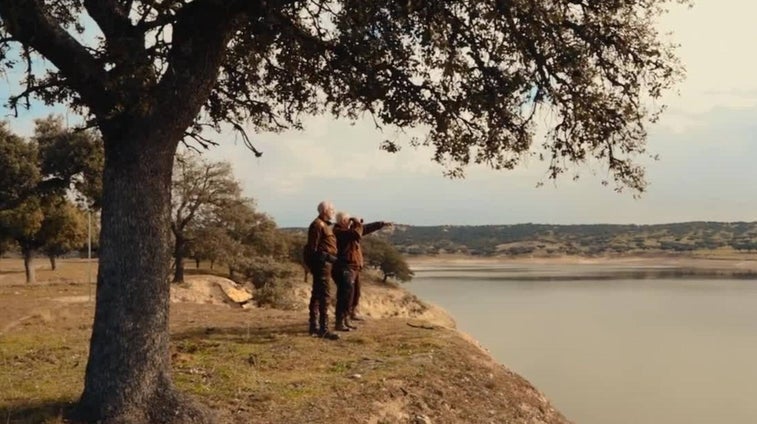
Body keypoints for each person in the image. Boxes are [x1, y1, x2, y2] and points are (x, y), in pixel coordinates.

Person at [332, 211, 391, 330]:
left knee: (354, 294)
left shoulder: (350, 231)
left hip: (354, 267)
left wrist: (380, 224)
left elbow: (364, 229)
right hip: (345, 267)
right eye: (348, 220)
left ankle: (347, 318)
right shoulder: (339, 232)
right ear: (343, 221)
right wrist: (357, 223)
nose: (351, 223)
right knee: (345, 295)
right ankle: (340, 321)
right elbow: (357, 234)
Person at [304, 200, 339, 340]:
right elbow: (313, 248)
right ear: (325, 211)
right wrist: (326, 258)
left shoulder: (325, 225)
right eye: (332, 210)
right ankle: (323, 329)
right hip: (321, 266)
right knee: (324, 296)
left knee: (318, 295)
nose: (333, 212)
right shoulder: (317, 225)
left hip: (325, 265)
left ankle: (314, 326)